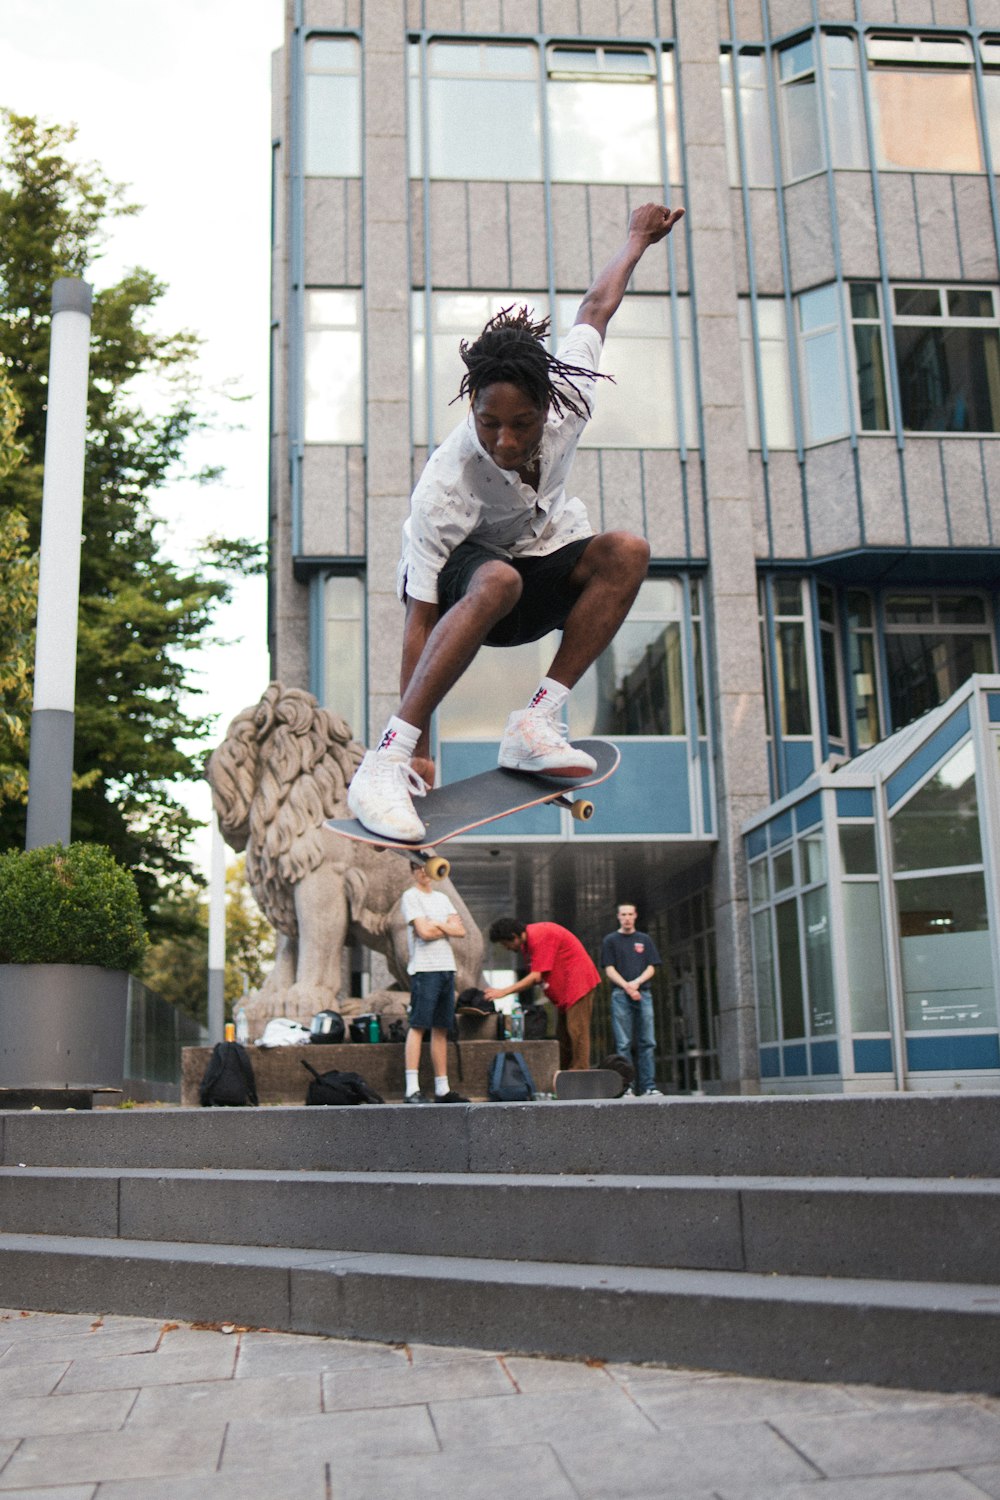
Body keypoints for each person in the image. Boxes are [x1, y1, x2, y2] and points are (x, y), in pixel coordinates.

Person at [348, 200, 685, 841]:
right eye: (488, 423)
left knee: (626, 550)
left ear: (547, 406)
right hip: (468, 594)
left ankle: (536, 721)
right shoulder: (445, 487)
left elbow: (594, 307)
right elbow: (419, 619)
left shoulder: (573, 394)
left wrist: (637, 239)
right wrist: (414, 739)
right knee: (497, 579)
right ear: (471, 410)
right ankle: (380, 765)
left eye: (521, 424)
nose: (504, 441)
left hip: (539, 569)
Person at [485, 916, 601, 1072]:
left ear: (513, 936)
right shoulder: (528, 944)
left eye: (506, 944)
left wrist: (503, 992)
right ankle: (565, 1072)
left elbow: (536, 976)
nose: (507, 948)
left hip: (578, 986)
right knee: (563, 1034)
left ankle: (580, 1072)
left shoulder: (540, 936)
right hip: (565, 992)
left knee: (577, 1031)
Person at [400, 859, 468, 1103]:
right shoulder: (410, 896)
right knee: (418, 1025)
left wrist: (436, 923)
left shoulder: (442, 898)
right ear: (413, 871)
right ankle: (411, 1089)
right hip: (424, 969)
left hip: (446, 968)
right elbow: (423, 933)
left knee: (442, 1027)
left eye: (426, 867)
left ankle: (442, 1088)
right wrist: (445, 926)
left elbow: (460, 931)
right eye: (418, 868)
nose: (424, 872)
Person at [601, 903, 662, 1097]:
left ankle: (649, 1087)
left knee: (648, 1042)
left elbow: (652, 967)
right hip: (620, 995)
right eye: (623, 914)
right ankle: (626, 1087)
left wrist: (635, 984)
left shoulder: (644, 939)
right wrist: (627, 987)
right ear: (618, 916)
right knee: (623, 1044)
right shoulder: (610, 940)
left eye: (630, 914)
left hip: (643, 994)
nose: (627, 918)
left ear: (635, 916)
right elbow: (609, 968)